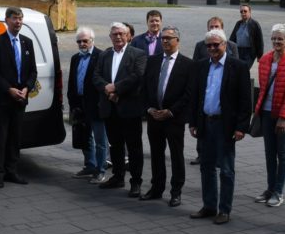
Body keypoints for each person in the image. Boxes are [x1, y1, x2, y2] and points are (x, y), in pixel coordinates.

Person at [188, 28, 251, 224]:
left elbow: (245, 100)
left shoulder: (238, 67)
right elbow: (195, 97)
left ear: (225, 45)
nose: (213, 48)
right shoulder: (200, 66)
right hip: (206, 123)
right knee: (206, 167)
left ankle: (224, 209)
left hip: (226, 125)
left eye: (217, 44)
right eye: (209, 45)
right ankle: (209, 206)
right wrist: (193, 122)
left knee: (226, 169)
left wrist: (241, 127)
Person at [93, 22, 147, 197]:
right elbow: (96, 76)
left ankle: (136, 182)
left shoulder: (138, 54)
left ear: (128, 36)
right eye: (114, 34)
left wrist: (116, 89)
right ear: (110, 37)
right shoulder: (105, 54)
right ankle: (117, 177)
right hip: (110, 108)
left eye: (121, 34)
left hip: (129, 108)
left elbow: (137, 77)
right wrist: (107, 90)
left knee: (134, 147)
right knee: (115, 145)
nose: (117, 37)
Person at [0, 7, 37, 188]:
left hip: (20, 98)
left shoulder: (27, 42)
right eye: (15, 18)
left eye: (20, 19)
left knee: (16, 137)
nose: (18, 22)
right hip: (2, 98)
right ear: (7, 20)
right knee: (1, 137)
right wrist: (9, 89)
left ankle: (12, 171)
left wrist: (26, 88)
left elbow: (33, 71)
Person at [142, 26, 193, 207]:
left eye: (169, 38)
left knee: (176, 155)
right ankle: (156, 188)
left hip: (173, 118)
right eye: (163, 38)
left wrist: (171, 111)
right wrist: (149, 109)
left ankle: (176, 191)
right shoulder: (153, 61)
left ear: (177, 41)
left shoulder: (187, 64)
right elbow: (146, 87)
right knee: (156, 154)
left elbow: (188, 93)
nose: (165, 41)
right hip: (154, 117)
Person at [252, 24, 285, 208]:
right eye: (274, 38)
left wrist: (283, 117)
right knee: (269, 153)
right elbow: (263, 88)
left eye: (280, 38)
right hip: (265, 112)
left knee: (283, 153)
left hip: (284, 115)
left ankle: (279, 191)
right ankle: (270, 188)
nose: (276, 41)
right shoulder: (265, 60)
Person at [191, 17, 238, 166]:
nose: (214, 29)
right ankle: (201, 155)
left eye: (216, 26)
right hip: (206, 101)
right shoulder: (200, 46)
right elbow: (195, 67)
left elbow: (236, 69)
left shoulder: (232, 46)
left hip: (224, 106)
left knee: (225, 166)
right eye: (211, 27)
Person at [67, 27, 109, 183]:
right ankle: (90, 166)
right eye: (79, 41)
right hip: (80, 103)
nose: (82, 44)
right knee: (84, 138)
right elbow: (72, 82)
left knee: (100, 140)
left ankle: (100, 170)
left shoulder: (101, 56)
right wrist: (72, 103)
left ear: (92, 40)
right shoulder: (75, 58)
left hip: (96, 105)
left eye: (85, 40)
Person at [230, 4, 264, 69]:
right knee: (237, 69)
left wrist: (259, 55)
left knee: (245, 69)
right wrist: (229, 50)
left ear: (249, 12)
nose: (243, 13)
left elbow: (259, 41)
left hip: (249, 52)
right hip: (238, 51)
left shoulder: (254, 24)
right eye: (241, 11)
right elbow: (232, 38)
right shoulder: (238, 23)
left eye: (245, 11)